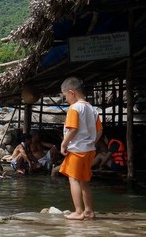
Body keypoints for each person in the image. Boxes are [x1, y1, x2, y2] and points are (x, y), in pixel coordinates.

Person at [59, 77, 103, 220]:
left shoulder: (74, 108)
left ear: (72, 93)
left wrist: (64, 144)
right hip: (90, 150)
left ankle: (78, 211)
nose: (65, 100)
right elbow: (100, 131)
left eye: (65, 96)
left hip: (77, 150)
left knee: (74, 179)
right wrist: (91, 142)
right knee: (84, 181)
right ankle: (89, 211)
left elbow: (72, 129)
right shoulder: (93, 109)